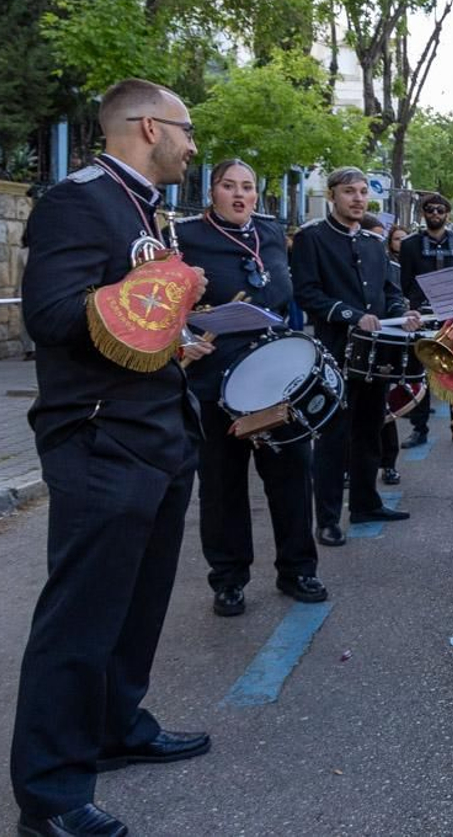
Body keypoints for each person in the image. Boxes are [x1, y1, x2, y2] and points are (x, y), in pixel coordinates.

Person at [11, 78, 211, 837]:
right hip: (100, 439)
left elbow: (138, 324)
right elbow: (53, 313)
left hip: (159, 430)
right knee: (80, 620)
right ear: (151, 127)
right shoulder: (77, 199)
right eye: (186, 131)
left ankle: (117, 726)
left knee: (137, 606)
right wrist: (150, 293)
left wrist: (178, 332)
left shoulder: (145, 208)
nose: (193, 147)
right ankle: (52, 796)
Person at [178, 159, 326, 618]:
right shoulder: (185, 237)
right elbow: (167, 307)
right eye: (228, 186)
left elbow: (285, 294)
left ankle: (297, 568)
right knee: (222, 486)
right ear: (212, 192)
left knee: (291, 477)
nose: (239, 195)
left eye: (247, 187)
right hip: (214, 380)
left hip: (274, 379)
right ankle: (228, 579)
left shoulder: (270, 232)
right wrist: (184, 340)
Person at [291, 167, 421, 547]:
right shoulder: (312, 238)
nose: (359, 199)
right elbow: (307, 294)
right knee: (333, 438)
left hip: (375, 354)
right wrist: (352, 315)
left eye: (363, 192)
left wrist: (403, 310)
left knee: (370, 430)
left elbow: (388, 290)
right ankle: (328, 519)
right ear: (333, 195)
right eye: (350, 192)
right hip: (335, 352)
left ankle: (365, 503)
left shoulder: (372, 242)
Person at [399, 192, 453, 448]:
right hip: (423, 316)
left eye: (440, 210)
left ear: (447, 213)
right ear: (423, 213)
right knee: (417, 374)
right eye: (430, 210)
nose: (435, 215)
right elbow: (405, 282)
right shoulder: (409, 245)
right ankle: (419, 429)